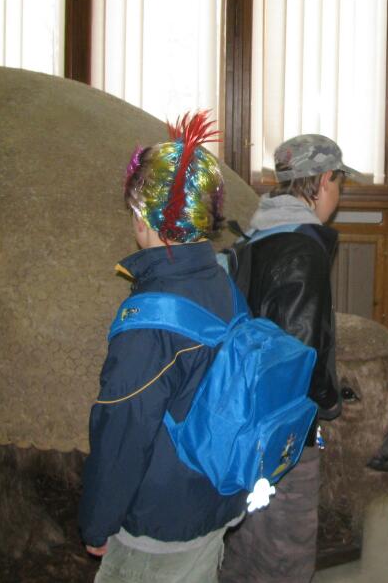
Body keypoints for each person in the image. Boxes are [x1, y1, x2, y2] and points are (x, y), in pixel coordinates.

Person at [79, 112, 247, 582]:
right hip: (215, 494)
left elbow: (122, 431)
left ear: (143, 216)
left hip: (159, 523)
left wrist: (97, 521)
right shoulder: (222, 282)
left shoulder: (150, 323)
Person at [219, 134, 359, 583]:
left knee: (245, 539)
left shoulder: (255, 236)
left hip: (243, 419)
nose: (338, 196)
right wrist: (327, 404)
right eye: (339, 184)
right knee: (287, 546)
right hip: (285, 431)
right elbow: (301, 351)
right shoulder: (303, 249)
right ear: (324, 179)